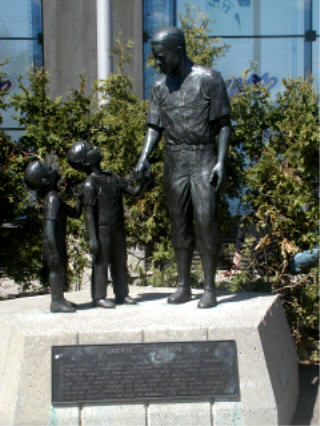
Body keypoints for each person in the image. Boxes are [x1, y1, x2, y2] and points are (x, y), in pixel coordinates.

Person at [135, 26, 231, 308]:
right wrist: (144, 158)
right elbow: (154, 127)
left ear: (179, 50)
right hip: (175, 160)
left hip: (203, 158)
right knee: (179, 225)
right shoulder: (158, 87)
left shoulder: (209, 80)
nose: (158, 63)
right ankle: (183, 285)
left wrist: (221, 162)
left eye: (162, 57)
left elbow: (223, 125)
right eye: (156, 57)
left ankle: (210, 288)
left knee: (205, 221)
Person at [68, 141, 149, 308]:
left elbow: (134, 192)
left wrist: (145, 182)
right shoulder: (90, 184)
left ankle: (122, 294)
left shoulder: (113, 177)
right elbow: (88, 213)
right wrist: (92, 238)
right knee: (101, 263)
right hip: (101, 229)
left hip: (117, 228)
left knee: (120, 261)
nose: (95, 147)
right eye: (89, 149)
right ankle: (98, 297)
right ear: (85, 162)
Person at [24, 160, 82, 313]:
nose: (53, 167)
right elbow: (49, 228)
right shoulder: (52, 199)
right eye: (48, 168)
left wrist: (80, 198)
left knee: (61, 269)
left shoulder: (55, 197)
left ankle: (60, 298)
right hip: (53, 243)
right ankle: (56, 302)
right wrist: (53, 250)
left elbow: (75, 213)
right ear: (45, 180)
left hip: (57, 242)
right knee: (56, 270)